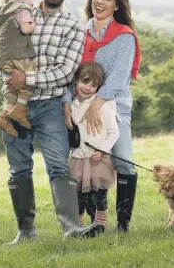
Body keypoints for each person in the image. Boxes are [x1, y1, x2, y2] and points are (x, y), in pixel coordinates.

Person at [0, 0, 102, 245]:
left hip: (50, 106)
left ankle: (71, 228)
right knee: (18, 168)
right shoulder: (20, 14)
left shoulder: (72, 27)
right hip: (14, 106)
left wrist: (26, 78)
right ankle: (26, 232)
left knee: (58, 165)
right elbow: (2, 49)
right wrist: (8, 78)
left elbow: (66, 71)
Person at [62, 0, 141, 233]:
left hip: (113, 108)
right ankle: (92, 223)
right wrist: (66, 103)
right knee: (84, 165)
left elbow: (119, 78)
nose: (100, 2)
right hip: (78, 111)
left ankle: (123, 224)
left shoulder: (124, 37)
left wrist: (97, 104)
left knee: (124, 161)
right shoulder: (79, 33)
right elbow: (67, 73)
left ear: (117, 5)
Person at [66, 61, 119, 237]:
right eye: (84, 81)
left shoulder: (103, 107)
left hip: (98, 160)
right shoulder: (72, 106)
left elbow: (113, 132)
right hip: (79, 159)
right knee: (78, 196)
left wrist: (103, 150)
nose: (88, 87)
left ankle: (99, 226)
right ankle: (80, 228)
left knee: (99, 196)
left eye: (93, 85)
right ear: (76, 80)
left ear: (99, 87)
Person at [0, 0, 36, 137]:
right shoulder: (22, 8)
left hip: (0, 57)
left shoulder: (3, 10)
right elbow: (25, 28)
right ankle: (20, 109)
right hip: (15, 53)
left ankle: (4, 115)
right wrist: (33, 24)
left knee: (11, 84)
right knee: (30, 76)